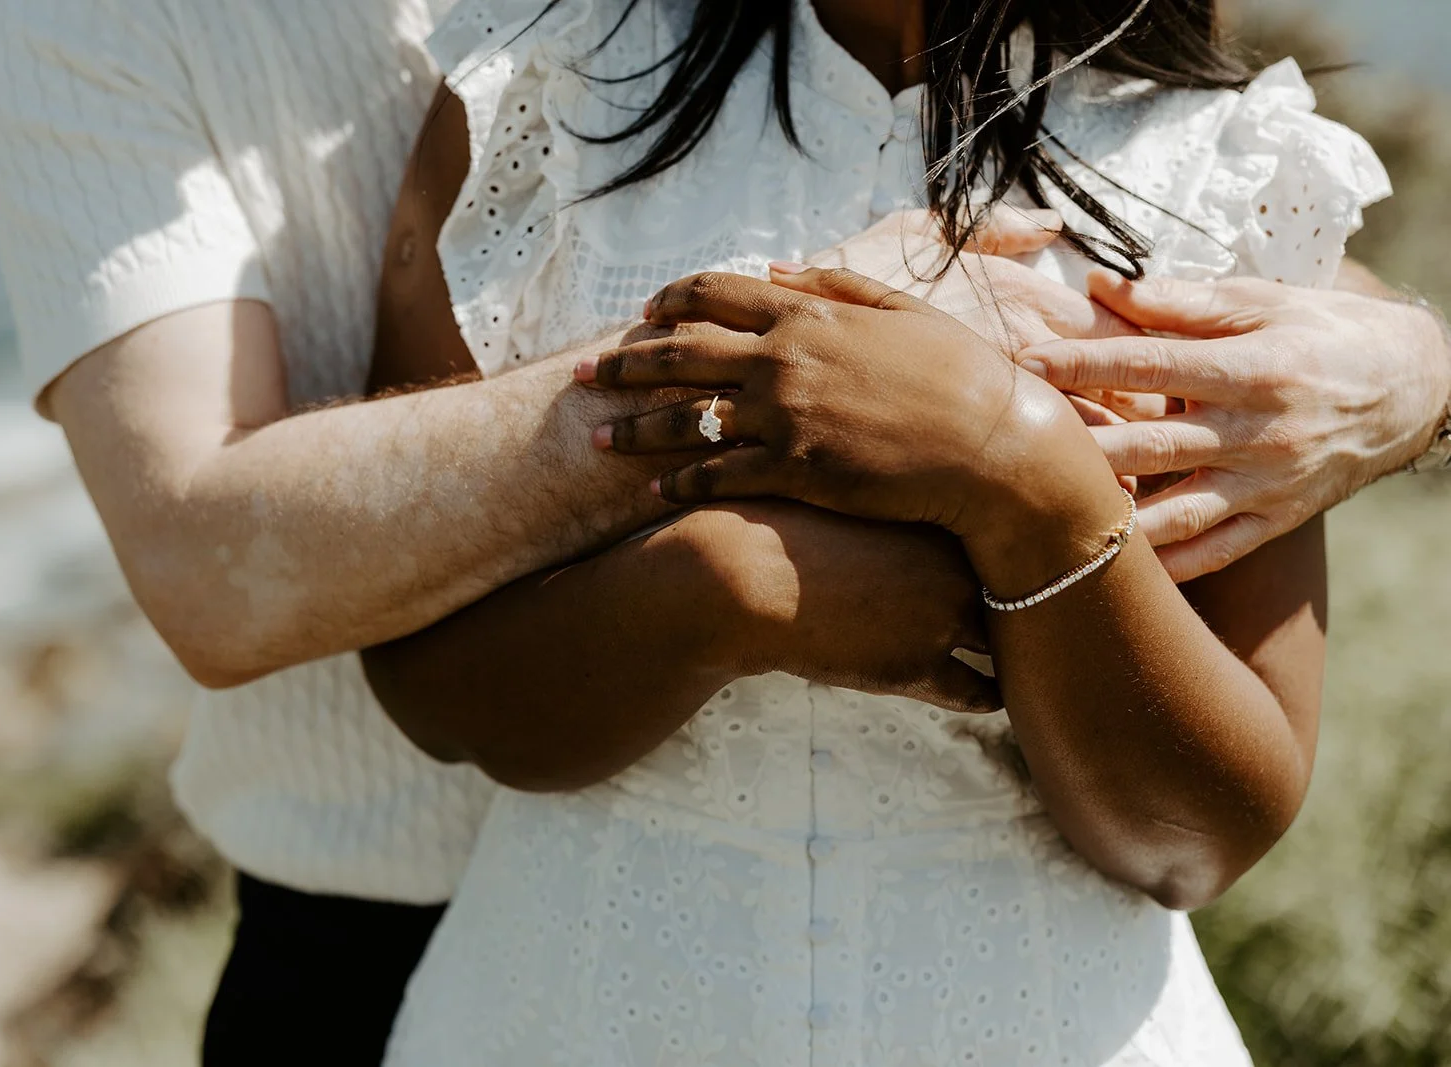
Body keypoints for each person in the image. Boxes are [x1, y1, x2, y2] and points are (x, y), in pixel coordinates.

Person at [0, 2, 1124, 1061]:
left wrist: (1312, 332)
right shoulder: (81, 18)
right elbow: (208, 570)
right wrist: (793, 349)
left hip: (895, 938)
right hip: (361, 955)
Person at [356, 0, 1406, 1062]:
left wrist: (1019, 476)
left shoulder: (1224, 165)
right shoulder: (542, 85)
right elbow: (421, 681)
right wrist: (725, 589)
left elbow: (1200, 838)